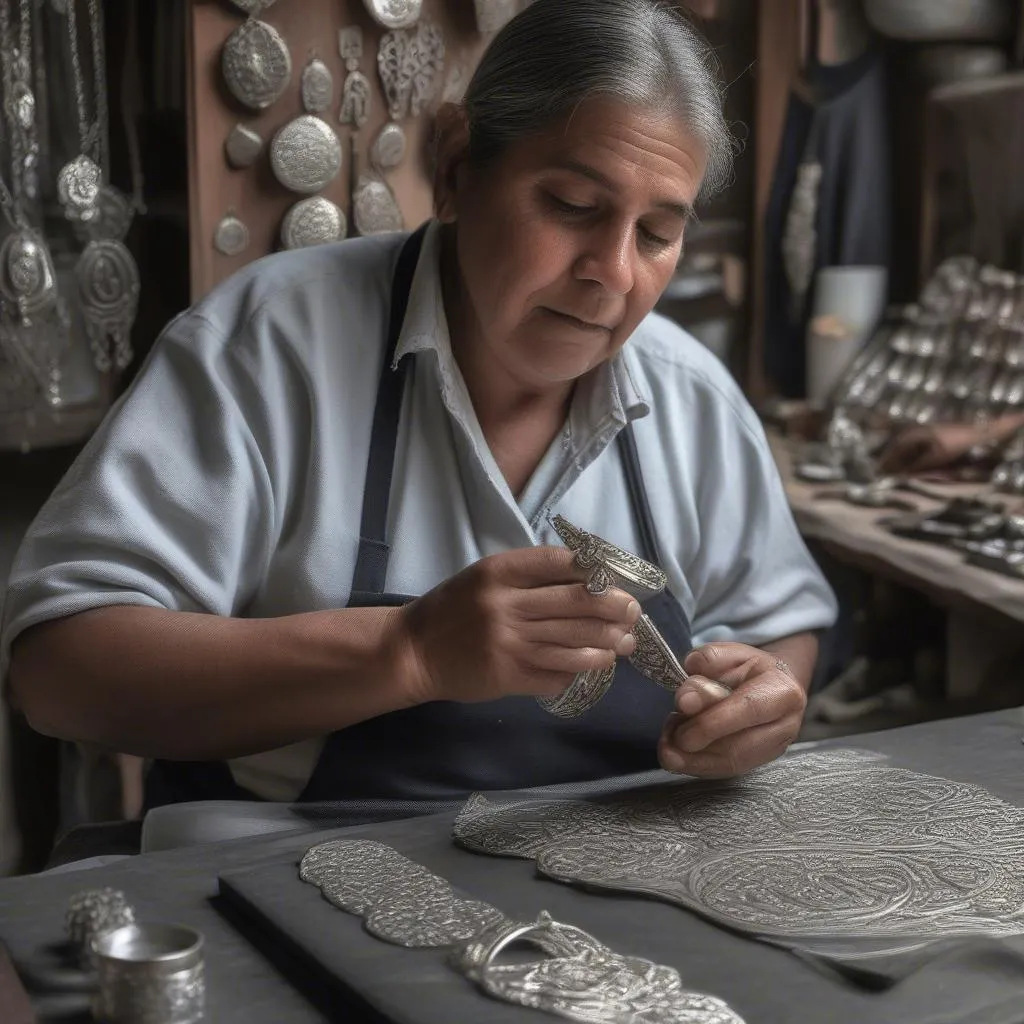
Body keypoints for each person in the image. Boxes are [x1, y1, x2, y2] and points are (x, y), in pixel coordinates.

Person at [1, 0, 837, 815]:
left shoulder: (690, 396)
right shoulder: (266, 347)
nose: (614, 273)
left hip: (616, 898)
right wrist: (407, 653)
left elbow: (778, 628)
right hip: (286, 879)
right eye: (574, 208)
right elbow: (59, 671)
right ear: (455, 166)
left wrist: (768, 696)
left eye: (656, 233)